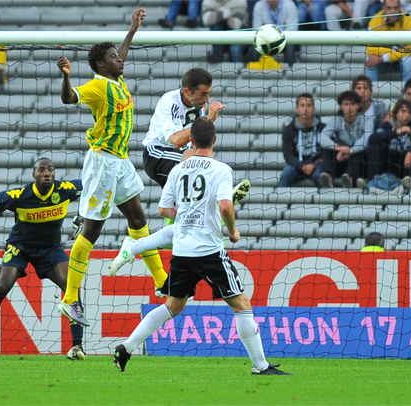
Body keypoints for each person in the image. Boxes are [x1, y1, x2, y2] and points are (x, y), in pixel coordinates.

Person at [112, 117, 291, 376]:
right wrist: (232, 231)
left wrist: (186, 216)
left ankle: (127, 347)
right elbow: (225, 206)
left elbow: (163, 209)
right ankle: (260, 366)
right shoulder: (221, 170)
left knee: (172, 306)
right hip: (209, 251)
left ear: (192, 141)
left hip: (182, 252)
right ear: (214, 139)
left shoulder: (178, 170)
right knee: (241, 304)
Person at [56, 8, 168, 327]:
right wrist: (66, 77)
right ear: (102, 65)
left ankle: (162, 281)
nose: (121, 59)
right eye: (114, 57)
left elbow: (121, 54)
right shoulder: (97, 87)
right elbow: (69, 99)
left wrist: (132, 30)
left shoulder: (117, 80)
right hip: (102, 162)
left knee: (138, 218)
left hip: (120, 160)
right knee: (92, 231)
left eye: (119, 56)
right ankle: (70, 298)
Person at [0, 158, 86, 360]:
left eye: (51, 169)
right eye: (41, 170)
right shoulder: (19, 195)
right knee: (2, 287)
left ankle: (77, 347)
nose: (47, 173)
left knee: (72, 286)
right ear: (33, 175)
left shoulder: (65, 190)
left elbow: (92, 188)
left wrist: (82, 215)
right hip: (20, 247)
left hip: (50, 249)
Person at [142, 67, 225, 188]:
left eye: (208, 94)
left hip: (180, 154)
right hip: (156, 154)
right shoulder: (170, 103)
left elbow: (195, 141)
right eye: (203, 94)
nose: (207, 100)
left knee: (204, 158)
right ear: (187, 91)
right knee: (196, 161)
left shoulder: (199, 106)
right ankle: (221, 194)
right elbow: (176, 141)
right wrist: (208, 120)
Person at [368, 98, 411, 191]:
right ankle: (373, 179)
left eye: (410, 112)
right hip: (389, 163)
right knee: (375, 146)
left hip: (406, 163)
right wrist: (396, 132)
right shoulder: (388, 124)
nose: (407, 115)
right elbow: (372, 138)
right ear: (396, 113)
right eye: (403, 111)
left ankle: (409, 180)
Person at [319, 90, 372, 188]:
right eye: (346, 104)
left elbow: (367, 139)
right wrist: (339, 148)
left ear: (358, 106)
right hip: (341, 158)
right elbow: (322, 138)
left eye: (353, 104)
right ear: (341, 106)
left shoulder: (367, 120)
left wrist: (351, 151)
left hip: (360, 162)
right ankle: (328, 177)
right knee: (327, 149)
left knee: (359, 150)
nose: (349, 108)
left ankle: (349, 178)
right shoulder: (336, 120)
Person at [279, 92, 328, 188]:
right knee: (285, 175)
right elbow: (288, 155)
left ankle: (326, 197)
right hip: (297, 165)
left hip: (317, 164)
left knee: (321, 177)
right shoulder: (289, 130)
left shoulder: (323, 128)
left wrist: (321, 159)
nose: (306, 108)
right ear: (296, 108)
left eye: (309, 105)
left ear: (314, 108)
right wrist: (302, 166)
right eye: (302, 105)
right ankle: (280, 197)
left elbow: (328, 149)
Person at [364, 0, 411, 84]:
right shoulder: (375, 20)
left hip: (398, 59)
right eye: (389, 8)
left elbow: (410, 48)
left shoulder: (408, 19)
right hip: (382, 61)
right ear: (383, 8)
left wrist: (383, 57)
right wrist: (396, 49)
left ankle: (410, 90)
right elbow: (370, 49)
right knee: (369, 60)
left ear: (400, 7)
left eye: (396, 8)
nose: (393, 11)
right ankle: (370, 91)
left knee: (408, 60)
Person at [351, 74, 389, 186]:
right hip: (357, 147)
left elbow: (383, 131)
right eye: (359, 88)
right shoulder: (349, 108)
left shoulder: (380, 107)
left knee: (375, 146)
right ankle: (353, 180)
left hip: (376, 148)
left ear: (371, 91)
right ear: (353, 91)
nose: (362, 91)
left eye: (365, 88)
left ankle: (373, 182)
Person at [247, 0, 298, 68]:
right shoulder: (259, 6)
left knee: (290, 45)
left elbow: (292, 29)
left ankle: (290, 69)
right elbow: (256, 29)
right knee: (255, 46)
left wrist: (268, 32)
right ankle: (255, 70)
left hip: (284, 40)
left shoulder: (290, 5)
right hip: (265, 40)